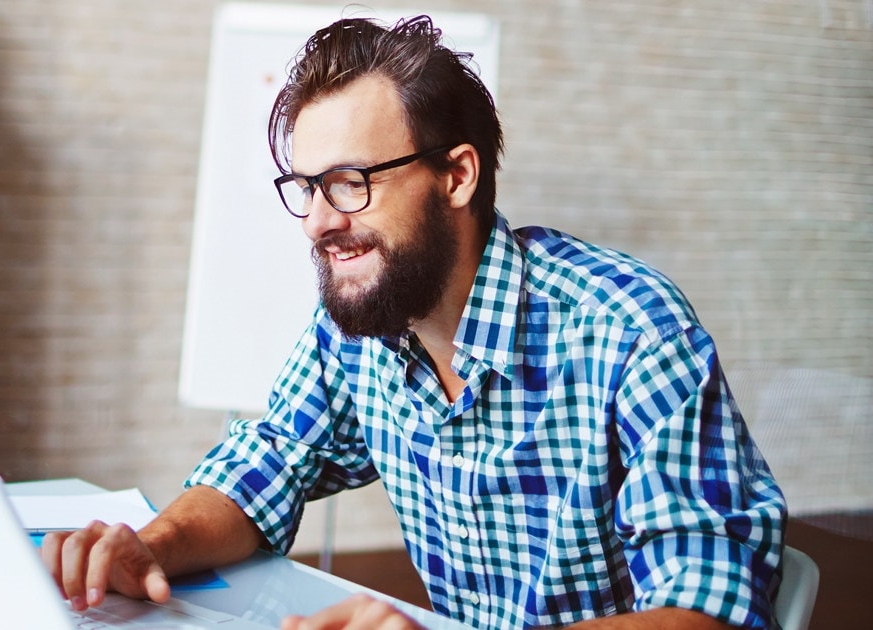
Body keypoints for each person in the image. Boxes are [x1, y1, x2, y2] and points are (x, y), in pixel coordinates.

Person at [42, 15, 787, 629]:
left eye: (350, 183)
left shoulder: (633, 330)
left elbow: (707, 609)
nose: (318, 224)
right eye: (307, 188)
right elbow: (263, 465)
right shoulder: (362, 324)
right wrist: (154, 546)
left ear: (457, 175)